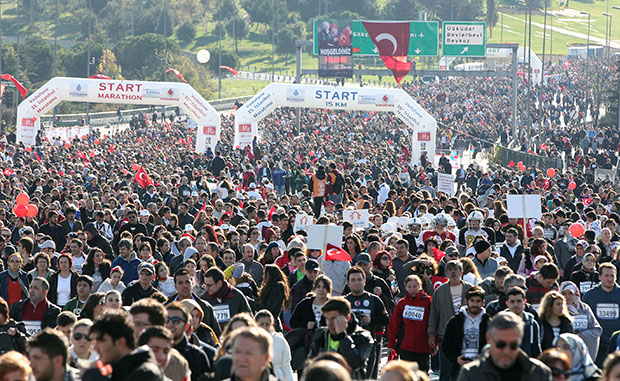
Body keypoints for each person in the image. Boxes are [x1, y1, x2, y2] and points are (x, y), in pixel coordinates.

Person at [457, 311, 552, 381]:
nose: (507, 351)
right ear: (488, 339)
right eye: (500, 345)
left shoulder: (540, 373)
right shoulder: (471, 374)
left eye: (513, 345)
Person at [85, 310, 165, 380]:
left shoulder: (145, 375)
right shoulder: (117, 372)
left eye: (101, 341)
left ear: (120, 342)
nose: (95, 348)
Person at [428, 260, 474, 381]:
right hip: (445, 337)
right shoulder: (439, 291)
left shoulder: (470, 290)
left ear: (461, 272)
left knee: (465, 372)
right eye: (450, 270)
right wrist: (431, 334)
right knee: (446, 372)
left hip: (467, 337)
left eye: (456, 269)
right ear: (446, 273)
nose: (453, 272)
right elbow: (434, 314)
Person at [308, 296, 374, 379]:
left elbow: (354, 363)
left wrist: (342, 336)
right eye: (327, 319)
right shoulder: (321, 334)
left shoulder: (363, 336)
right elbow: (311, 363)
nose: (329, 323)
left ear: (347, 318)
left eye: (333, 318)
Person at [442, 286, 490, 380]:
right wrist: (456, 359)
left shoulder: (489, 322)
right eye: (472, 300)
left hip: (482, 368)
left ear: (483, 302)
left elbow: (494, 345)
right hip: (460, 368)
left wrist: (484, 357)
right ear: (466, 301)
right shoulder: (455, 322)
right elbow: (445, 346)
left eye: (478, 301)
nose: (475, 304)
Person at [387, 275, 433, 372]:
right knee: (407, 376)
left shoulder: (428, 301)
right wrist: (391, 344)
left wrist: (434, 342)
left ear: (420, 286)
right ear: (405, 287)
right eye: (409, 287)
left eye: (415, 286)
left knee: (422, 375)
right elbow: (394, 325)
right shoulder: (402, 303)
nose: (412, 289)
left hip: (423, 346)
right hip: (405, 346)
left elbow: (433, 322)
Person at [582, 262, 620, 366]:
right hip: (597, 344)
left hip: (617, 344)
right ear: (599, 277)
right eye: (606, 275)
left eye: (612, 275)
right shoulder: (590, 295)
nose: (610, 279)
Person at [165, 268, 221, 337]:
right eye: (180, 283)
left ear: (192, 283)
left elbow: (217, 334)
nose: (185, 285)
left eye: (187, 282)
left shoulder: (205, 307)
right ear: (175, 286)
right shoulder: (165, 309)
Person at [165, 302, 211, 381]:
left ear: (186, 326)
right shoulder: (156, 352)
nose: (170, 324)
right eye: (167, 320)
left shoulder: (197, 356)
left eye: (176, 321)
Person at [559, 281, 601, 360]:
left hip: (584, 348)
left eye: (570, 293)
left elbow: (596, 329)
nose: (567, 297)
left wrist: (580, 336)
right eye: (564, 293)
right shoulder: (558, 309)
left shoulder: (584, 308)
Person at [255, 309, 294, 381]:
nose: (264, 327)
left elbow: (286, 366)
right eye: (261, 324)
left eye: (267, 324)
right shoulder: (250, 341)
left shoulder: (280, 340)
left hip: (277, 377)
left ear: (272, 324)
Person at [506, 286, 542, 358]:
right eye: (512, 301)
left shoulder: (532, 324)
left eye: (519, 301)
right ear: (507, 303)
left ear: (524, 302)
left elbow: (536, 350)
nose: (515, 305)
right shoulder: (499, 324)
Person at [257, 264, 289, 332]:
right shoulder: (271, 288)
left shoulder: (277, 289)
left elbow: (268, 309)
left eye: (265, 274)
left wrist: (250, 302)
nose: (263, 277)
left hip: (273, 326)